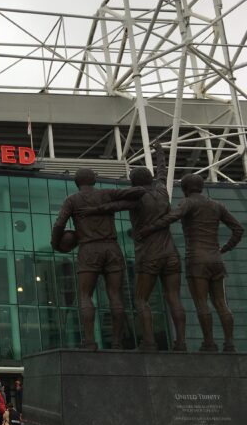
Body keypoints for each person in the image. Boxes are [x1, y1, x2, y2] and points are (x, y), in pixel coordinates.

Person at [77, 141, 187, 351]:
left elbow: (115, 206)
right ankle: (180, 343)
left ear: (134, 184)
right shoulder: (162, 191)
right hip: (171, 253)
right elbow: (162, 173)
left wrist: (92, 210)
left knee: (141, 298)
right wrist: (160, 153)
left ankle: (148, 342)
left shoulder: (137, 198)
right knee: (174, 297)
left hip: (149, 254)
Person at [137, 173, 243, 352]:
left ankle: (209, 343)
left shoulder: (188, 202)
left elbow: (173, 217)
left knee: (202, 303)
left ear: (185, 189)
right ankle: (229, 343)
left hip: (197, 260)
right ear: (201, 187)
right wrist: (224, 249)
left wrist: (149, 228)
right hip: (216, 260)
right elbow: (238, 229)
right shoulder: (217, 205)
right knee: (221, 303)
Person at [51, 169, 144, 349]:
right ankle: (117, 342)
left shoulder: (72, 200)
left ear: (76, 183)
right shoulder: (106, 193)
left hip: (89, 249)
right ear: (94, 179)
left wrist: (55, 244)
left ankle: (89, 341)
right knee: (115, 296)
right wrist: (112, 206)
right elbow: (139, 192)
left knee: (85, 295)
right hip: (112, 248)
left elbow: (59, 224)